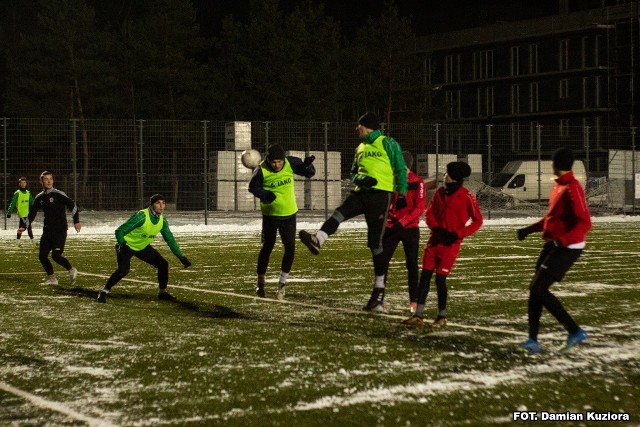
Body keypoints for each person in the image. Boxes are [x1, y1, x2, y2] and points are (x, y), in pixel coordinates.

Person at [299, 112, 408, 312]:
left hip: (380, 196)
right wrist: (361, 180)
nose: (356, 129)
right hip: (361, 192)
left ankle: (379, 292)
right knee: (339, 213)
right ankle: (318, 239)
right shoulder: (360, 147)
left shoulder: (388, 143)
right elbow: (353, 172)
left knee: (375, 243)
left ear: (367, 126)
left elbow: (400, 168)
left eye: (359, 126)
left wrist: (401, 194)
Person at [516, 147, 592, 353]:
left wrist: (564, 241)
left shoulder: (572, 187)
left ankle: (574, 330)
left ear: (555, 163)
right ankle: (532, 341)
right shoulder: (559, 186)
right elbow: (552, 219)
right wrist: (529, 230)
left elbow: (585, 222)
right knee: (535, 290)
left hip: (568, 247)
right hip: (554, 244)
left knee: (538, 289)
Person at [403, 161, 483, 328]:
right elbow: (429, 213)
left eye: (447, 173)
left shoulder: (466, 196)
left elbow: (478, 221)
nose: (444, 175)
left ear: (452, 176)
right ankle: (418, 314)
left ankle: (441, 316)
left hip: (450, 245)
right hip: (434, 242)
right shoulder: (440, 193)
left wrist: (458, 234)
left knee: (440, 279)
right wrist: (436, 229)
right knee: (424, 277)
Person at [248, 144, 316, 299]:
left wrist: (307, 165)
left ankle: (282, 286)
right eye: (274, 162)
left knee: (290, 248)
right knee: (267, 247)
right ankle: (261, 282)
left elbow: (310, 174)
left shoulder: (290, 162)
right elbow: (252, 187)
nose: (277, 165)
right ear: (268, 160)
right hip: (270, 216)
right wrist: (265, 195)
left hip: (289, 214)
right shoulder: (261, 170)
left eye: (279, 162)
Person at [97, 194, 191, 303]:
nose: (161, 206)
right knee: (123, 270)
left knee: (163, 264)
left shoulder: (162, 221)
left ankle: (162, 293)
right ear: (152, 205)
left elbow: (170, 239)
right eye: (158, 203)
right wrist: (122, 244)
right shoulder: (142, 216)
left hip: (142, 247)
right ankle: (104, 291)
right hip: (127, 246)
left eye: (163, 203)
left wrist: (181, 257)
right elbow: (120, 231)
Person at [380, 151, 426, 313]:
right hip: (392, 228)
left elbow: (419, 208)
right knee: (382, 263)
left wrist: (403, 222)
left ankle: (414, 301)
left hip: (410, 229)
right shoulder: (391, 181)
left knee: (412, 265)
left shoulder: (417, 183)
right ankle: (379, 299)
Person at [23, 171, 81, 285]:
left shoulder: (58, 194)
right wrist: (24, 226)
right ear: (42, 181)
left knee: (56, 256)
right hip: (47, 231)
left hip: (60, 230)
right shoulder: (40, 197)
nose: (49, 181)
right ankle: (52, 279)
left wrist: (76, 221)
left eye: (51, 179)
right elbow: (32, 213)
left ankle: (71, 269)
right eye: (46, 179)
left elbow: (73, 206)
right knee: (42, 256)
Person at [6, 177, 36, 247]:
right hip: (22, 214)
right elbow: (13, 203)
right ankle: (33, 242)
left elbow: (33, 202)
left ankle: (18, 242)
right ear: (19, 184)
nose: (23, 184)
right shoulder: (17, 193)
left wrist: (38, 205)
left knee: (24, 227)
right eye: (21, 183)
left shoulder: (28, 193)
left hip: (27, 214)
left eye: (24, 183)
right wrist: (9, 212)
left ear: (26, 183)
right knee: (28, 227)